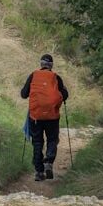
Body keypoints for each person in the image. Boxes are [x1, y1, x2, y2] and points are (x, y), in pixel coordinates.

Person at [20, 53, 69, 181]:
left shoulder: (33, 75)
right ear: (51, 65)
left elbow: (24, 94)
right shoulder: (56, 77)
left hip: (35, 116)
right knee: (52, 139)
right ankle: (48, 162)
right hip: (52, 116)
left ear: (41, 64)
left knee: (37, 142)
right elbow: (65, 94)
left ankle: (39, 172)